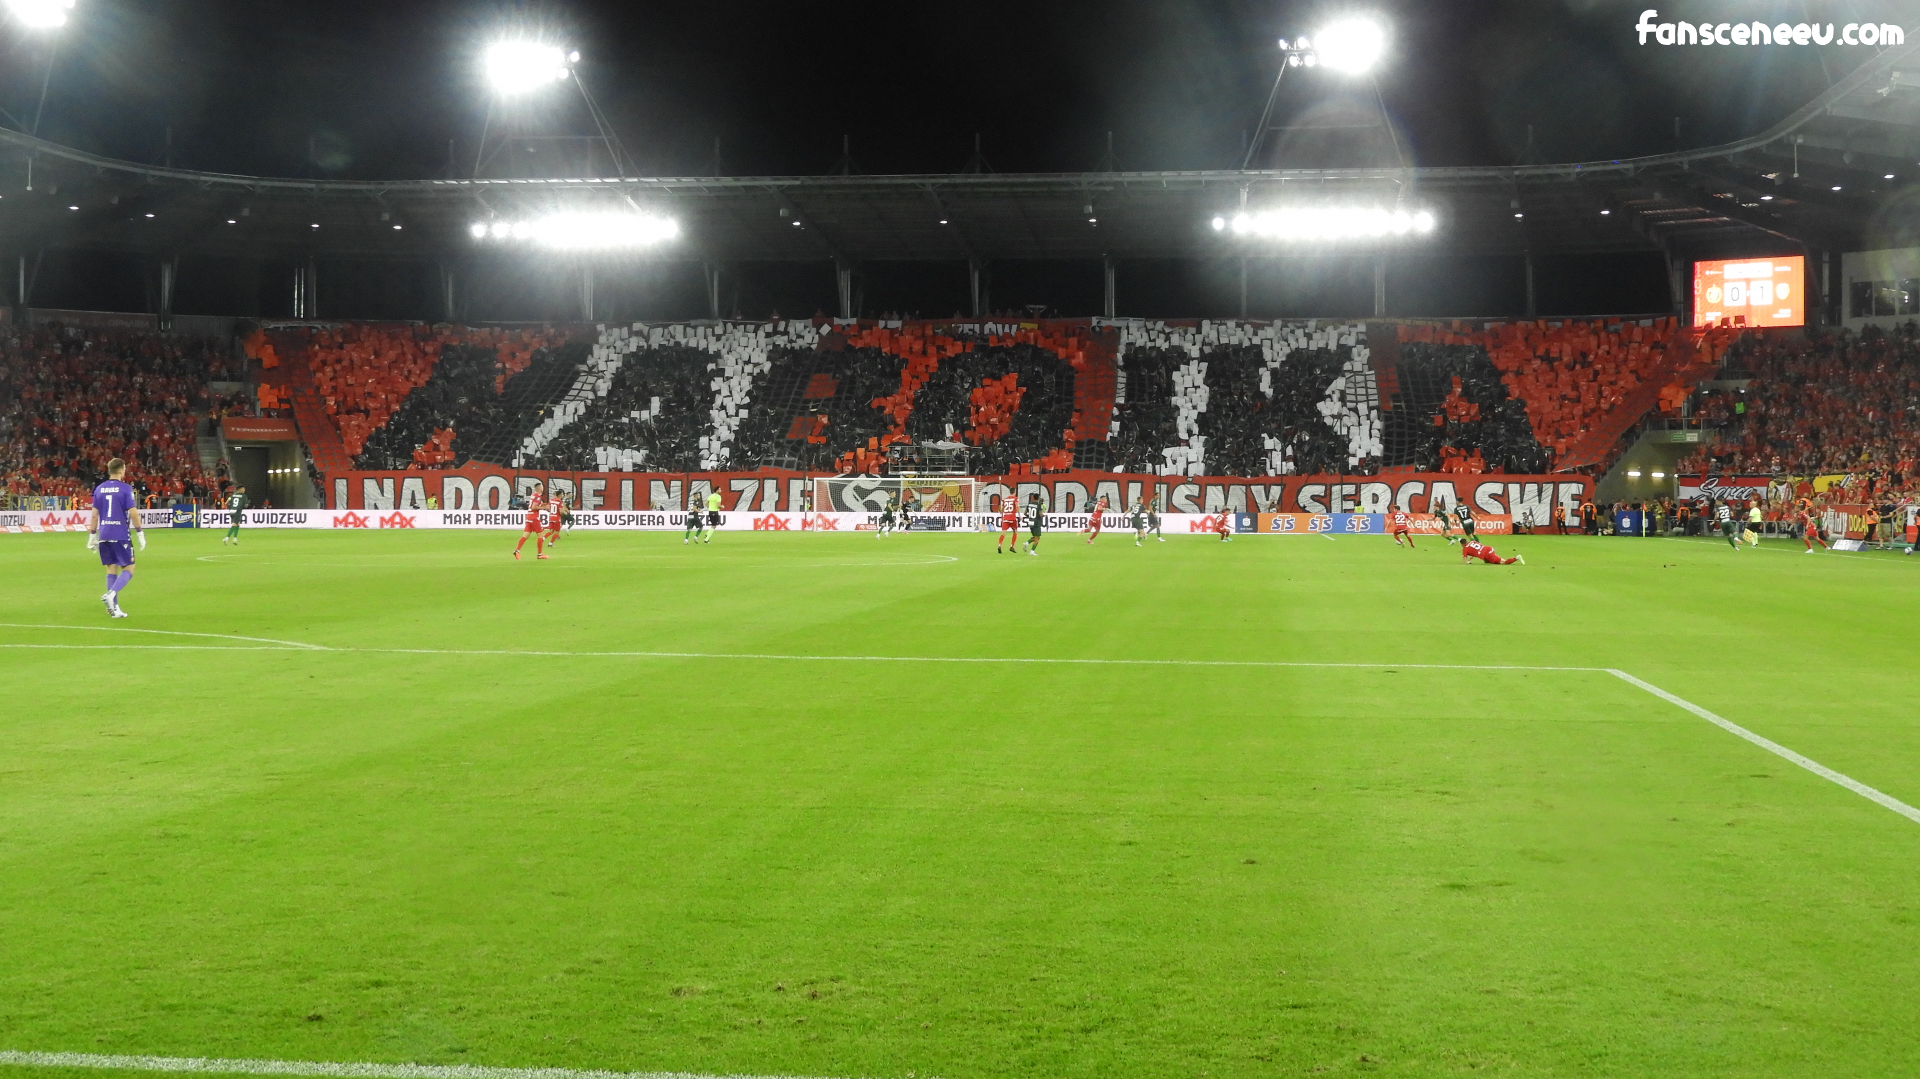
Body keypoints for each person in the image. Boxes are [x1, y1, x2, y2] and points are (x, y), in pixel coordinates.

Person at [87, 458, 146, 618]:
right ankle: (111, 594)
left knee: (110, 569)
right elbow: (133, 513)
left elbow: (94, 516)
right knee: (129, 567)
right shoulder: (125, 489)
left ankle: (114, 609)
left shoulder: (99, 489)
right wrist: (140, 533)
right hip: (120, 534)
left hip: (104, 534)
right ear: (121, 470)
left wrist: (92, 535)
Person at [514, 487, 549, 559]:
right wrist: (543, 508)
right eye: (542, 486)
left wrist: (541, 506)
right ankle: (540, 554)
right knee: (540, 536)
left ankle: (517, 551)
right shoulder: (538, 496)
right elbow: (534, 507)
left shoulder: (533, 495)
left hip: (529, 517)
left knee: (525, 536)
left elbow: (533, 506)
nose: (543, 488)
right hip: (534, 518)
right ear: (539, 488)